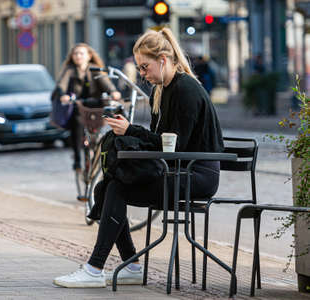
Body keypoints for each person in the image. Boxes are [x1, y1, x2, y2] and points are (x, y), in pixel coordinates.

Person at [53, 28, 223, 288]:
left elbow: (174, 146)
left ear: (163, 60)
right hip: (178, 169)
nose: (142, 75)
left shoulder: (186, 89)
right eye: (140, 68)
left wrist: (130, 130)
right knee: (106, 185)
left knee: (117, 187)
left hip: (196, 174)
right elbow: (161, 142)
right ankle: (130, 265)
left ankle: (95, 268)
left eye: (145, 67)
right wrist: (129, 130)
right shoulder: (163, 90)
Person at [55, 43, 121, 171]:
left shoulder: (95, 69)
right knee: (77, 126)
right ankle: (77, 159)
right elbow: (61, 85)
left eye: (81, 53)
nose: (78, 56)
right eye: (75, 53)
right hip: (79, 105)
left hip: (96, 105)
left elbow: (106, 83)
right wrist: (63, 95)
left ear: (89, 55)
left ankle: (98, 148)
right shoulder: (70, 71)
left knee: (106, 122)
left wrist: (114, 92)